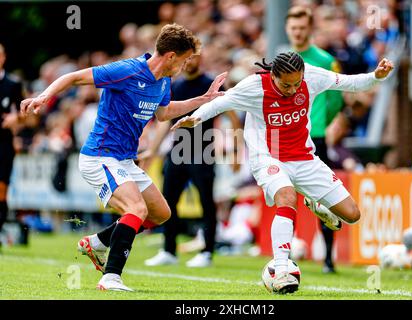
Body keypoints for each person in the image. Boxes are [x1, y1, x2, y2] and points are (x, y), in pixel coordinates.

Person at [20, 23, 227, 291]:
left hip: (124, 160)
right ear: (171, 56)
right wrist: (44, 96)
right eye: (186, 59)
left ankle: (97, 242)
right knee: (137, 209)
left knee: (161, 213)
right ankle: (111, 277)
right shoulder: (127, 70)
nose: (187, 65)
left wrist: (203, 99)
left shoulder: (163, 81)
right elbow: (73, 77)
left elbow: (163, 113)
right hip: (100, 155)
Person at [172, 52, 394, 294]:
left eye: (296, 84)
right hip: (267, 158)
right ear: (273, 75)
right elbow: (220, 103)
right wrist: (194, 118)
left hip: (305, 159)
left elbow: (350, 83)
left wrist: (376, 76)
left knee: (352, 215)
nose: (292, 89)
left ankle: (315, 203)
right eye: (286, 84)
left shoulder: (312, 77)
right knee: (286, 196)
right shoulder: (254, 86)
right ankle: (281, 270)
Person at [141, 54, 239, 268]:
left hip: (202, 149)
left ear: (201, 59)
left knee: (206, 203)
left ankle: (207, 252)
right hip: (178, 149)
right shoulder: (176, 85)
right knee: (167, 201)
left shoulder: (210, 84)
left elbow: (231, 117)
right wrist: (152, 151)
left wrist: (235, 152)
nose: (188, 62)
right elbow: (165, 121)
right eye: (186, 59)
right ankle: (168, 250)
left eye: (193, 58)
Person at [285, 5, 344, 273]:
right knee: (286, 195)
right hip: (288, 138)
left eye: (302, 28)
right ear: (288, 29)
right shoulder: (283, 60)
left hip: (315, 136)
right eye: (293, 28)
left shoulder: (325, 60)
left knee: (324, 197)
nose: (297, 32)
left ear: (309, 30)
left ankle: (329, 259)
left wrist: (321, 122)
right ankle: (284, 256)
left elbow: (335, 100)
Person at [0, 43, 24, 249]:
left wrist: (15, 118)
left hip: (4, 143)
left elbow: (25, 114)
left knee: (1, 190)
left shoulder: (13, 84)